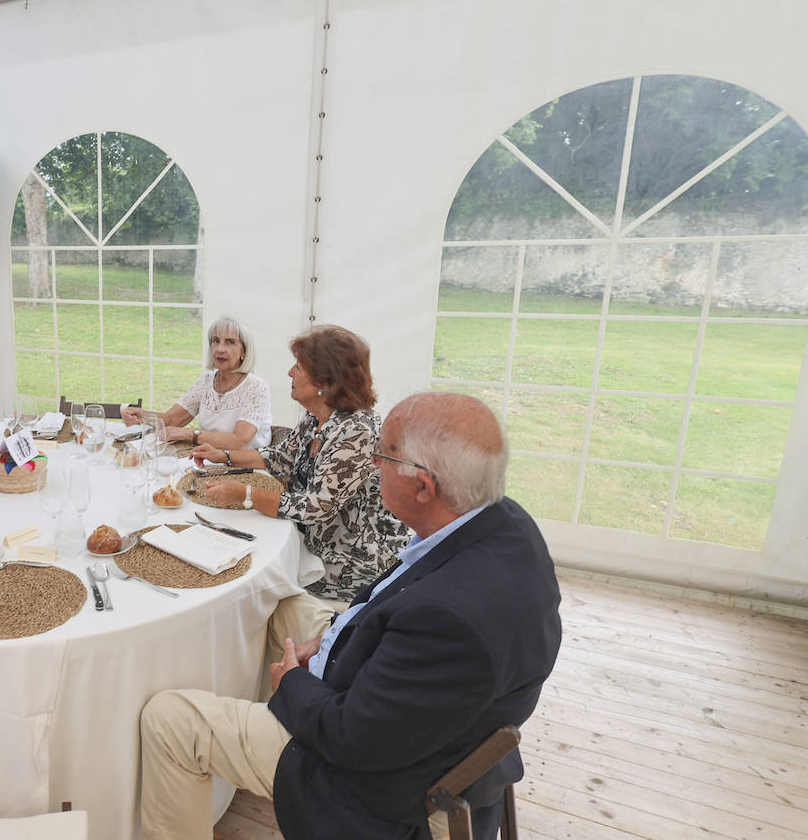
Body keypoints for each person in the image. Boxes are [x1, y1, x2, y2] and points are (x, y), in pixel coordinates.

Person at [140, 392, 563, 840]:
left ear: (423, 487)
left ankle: (244, 737)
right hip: (405, 702)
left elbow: (354, 740)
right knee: (277, 599)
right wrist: (329, 643)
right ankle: (245, 729)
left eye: (383, 455)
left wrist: (294, 685)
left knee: (170, 719)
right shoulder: (505, 522)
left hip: (371, 783)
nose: (373, 465)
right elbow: (392, 599)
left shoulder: (448, 620)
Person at [191, 325, 406, 600]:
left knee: (245, 581)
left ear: (325, 381)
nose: (290, 373)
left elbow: (317, 507)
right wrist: (223, 456)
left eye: (299, 367)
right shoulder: (318, 415)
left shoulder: (356, 431)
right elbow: (282, 458)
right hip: (304, 537)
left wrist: (245, 494)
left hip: (344, 562)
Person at [122, 315, 272, 449]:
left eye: (230, 342)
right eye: (215, 341)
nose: (220, 349)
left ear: (244, 352)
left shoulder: (257, 387)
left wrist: (189, 433)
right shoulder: (207, 380)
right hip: (210, 459)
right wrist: (143, 416)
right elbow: (173, 419)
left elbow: (239, 442)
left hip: (247, 467)